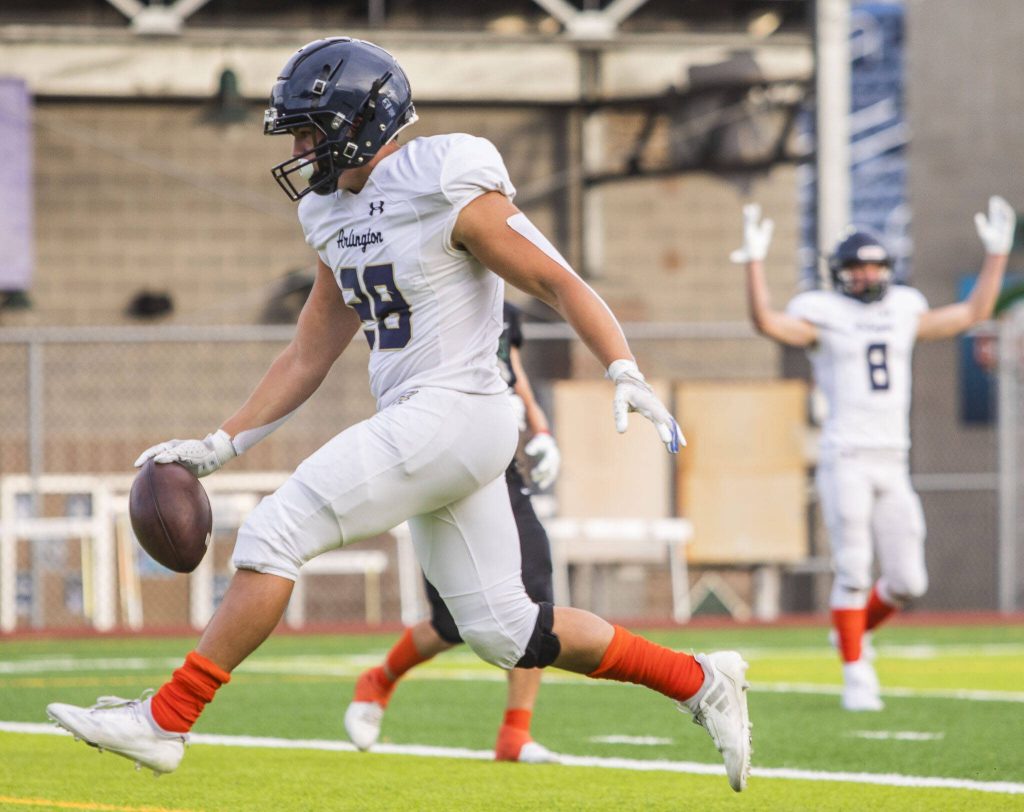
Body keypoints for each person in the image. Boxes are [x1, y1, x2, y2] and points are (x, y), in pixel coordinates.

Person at [46, 37, 752, 792]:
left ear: (361, 119)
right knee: (507, 631)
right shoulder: (326, 212)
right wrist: (221, 445)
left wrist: (622, 365)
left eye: (310, 129)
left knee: (275, 532)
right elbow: (307, 354)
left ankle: (166, 719)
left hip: (460, 408)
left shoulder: (444, 176)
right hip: (436, 426)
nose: (300, 147)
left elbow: (555, 280)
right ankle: (700, 680)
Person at [732, 197, 1014, 711]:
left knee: (908, 580)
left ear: (888, 269)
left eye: (874, 265)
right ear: (840, 274)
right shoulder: (822, 312)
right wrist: (752, 263)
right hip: (847, 456)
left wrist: (997, 254)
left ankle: (849, 635)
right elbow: (769, 324)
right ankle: (857, 672)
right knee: (855, 569)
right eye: (856, 267)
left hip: (893, 459)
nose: (866, 275)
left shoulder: (904, 308)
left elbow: (973, 313)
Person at [345, 301, 562, 763]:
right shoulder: (431, 290)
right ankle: (378, 680)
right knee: (450, 623)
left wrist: (540, 425)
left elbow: (510, 367)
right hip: (437, 454)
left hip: (498, 463)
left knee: (535, 593)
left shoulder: (505, 303)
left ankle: (514, 734)